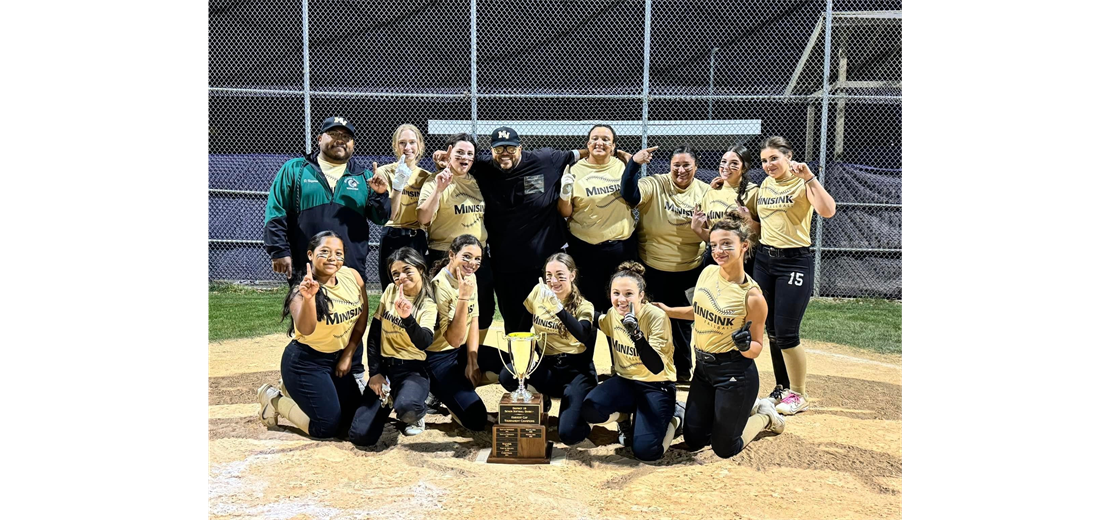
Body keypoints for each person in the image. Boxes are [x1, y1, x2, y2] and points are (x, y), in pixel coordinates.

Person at [434, 127, 605, 334]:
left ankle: (558, 362)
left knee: (556, 317)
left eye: (510, 148)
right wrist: (444, 160)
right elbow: (461, 164)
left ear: (520, 148)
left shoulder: (545, 159)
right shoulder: (484, 169)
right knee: (514, 323)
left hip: (545, 263)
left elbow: (580, 153)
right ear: (492, 150)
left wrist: (617, 154)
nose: (504, 153)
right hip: (507, 265)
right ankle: (519, 362)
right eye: (499, 149)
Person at [263, 116, 391, 389]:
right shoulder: (295, 170)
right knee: (311, 318)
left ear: (353, 144)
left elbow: (380, 218)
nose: (340, 140)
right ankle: (304, 373)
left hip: (350, 264)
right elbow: (276, 212)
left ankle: (353, 368)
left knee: (349, 313)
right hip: (305, 263)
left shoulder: (364, 175)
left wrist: (380, 195)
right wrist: (279, 251)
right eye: (333, 134)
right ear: (319, 139)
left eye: (346, 136)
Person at [654, 212, 785, 458]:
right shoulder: (708, 273)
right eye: (713, 245)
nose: (719, 250)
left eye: (727, 244)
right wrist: (669, 311)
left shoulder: (752, 296)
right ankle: (735, 411)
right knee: (694, 440)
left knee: (725, 448)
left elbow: (756, 346)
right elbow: (700, 312)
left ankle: (765, 414)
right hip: (703, 371)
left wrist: (745, 345)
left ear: (744, 246)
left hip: (733, 372)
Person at [751, 136, 837, 415]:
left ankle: (799, 393)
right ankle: (781, 387)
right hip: (765, 261)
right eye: (764, 160)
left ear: (789, 157)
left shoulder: (802, 181)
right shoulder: (765, 184)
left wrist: (810, 177)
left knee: (787, 332)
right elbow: (768, 222)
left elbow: (828, 210)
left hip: (794, 262)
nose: (768, 165)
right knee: (773, 331)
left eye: (774, 158)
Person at [256, 231, 369, 441]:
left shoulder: (352, 276)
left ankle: (296, 391)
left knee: (353, 418)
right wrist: (309, 298)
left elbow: (362, 319)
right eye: (324, 252)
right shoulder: (301, 292)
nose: (332, 258)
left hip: (336, 359)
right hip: (305, 363)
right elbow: (306, 329)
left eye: (338, 253)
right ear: (310, 254)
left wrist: (348, 355)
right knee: (326, 427)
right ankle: (274, 399)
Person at [620, 145, 710, 383]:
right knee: (651, 318)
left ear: (696, 167)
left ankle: (682, 371)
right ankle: (649, 367)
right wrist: (634, 165)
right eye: (676, 165)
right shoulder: (656, 183)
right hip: (653, 267)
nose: (681, 170)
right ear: (669, 166)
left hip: (689, 269)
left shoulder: (705, 192)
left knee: (682, 323)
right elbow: (630, 195)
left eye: (686, 165)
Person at [581, 261, 685, 462]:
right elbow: (595, 318)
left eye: (628, 294)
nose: (621, 299)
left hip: (656, 385)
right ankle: (624, 419)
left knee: (647, 452)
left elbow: (655, 367)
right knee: (590, 409)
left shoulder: (656, 317)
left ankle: (675, 418)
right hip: (626, 382)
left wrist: (636, 334)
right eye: (616, 293)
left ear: (641, 295)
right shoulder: (613, 314)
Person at [498, 253, 598, 446]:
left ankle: (587, 414)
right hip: (547, 368)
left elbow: (583, 334)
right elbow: (522, 328)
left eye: (560, 275)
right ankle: (542, 400)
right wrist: (523, 358)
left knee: (569, 434)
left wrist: (558, 309)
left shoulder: (585, 306)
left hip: (577, 373)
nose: (553, 281)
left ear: (572, 275)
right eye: (549, 275)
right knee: (507, 375)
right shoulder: (538, 292)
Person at [346, 247, 439, 445]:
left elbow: (424, 342)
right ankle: (392, 400)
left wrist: (407, 317)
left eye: (407, 270)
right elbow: (374, 335)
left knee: (407, 407)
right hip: (385, 370)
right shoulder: (390, 291)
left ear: (420, 269)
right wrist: (375, 373)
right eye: (395, 274)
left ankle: (415, 409)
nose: (401, 277)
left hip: (412, 370)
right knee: (360, 436)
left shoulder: (427, 304)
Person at [423, 235, 506, 431]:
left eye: (478, 259)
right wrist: (463, 297)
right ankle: (446, 394)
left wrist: (473, 360)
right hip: (437, 359)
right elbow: (454, 339)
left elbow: (474, 320)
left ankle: (463, 385)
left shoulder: (470, 277)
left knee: (512, 366)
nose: (473, 263)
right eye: (467, 257)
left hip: (458, 352)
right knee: (476, 420)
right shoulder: (439, 286)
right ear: (452, 255)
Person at [417, 132, 495, 337]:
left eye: (470, 153)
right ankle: (444, 358)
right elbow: (423, 218)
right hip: (445, 255)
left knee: (483, 309)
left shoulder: (476, 181)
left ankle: (474, 357)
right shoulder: (435, 180)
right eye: (460, 152)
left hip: (478, 257)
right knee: (444, 310)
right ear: (449, 153)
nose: (465, 157)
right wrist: (439, 189)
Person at [558, 124, 638, 315]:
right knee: (587, 308)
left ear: (613, 146)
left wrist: (631, 164)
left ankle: (620, 345)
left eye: (605, 139)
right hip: (586, 250)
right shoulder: (575, 169)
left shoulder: (622, 166)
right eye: (594, 139)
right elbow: (565, 212)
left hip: (621, 248)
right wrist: (564, 193)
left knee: (622, 308)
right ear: (588, 143)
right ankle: (588, 344)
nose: (599, 143)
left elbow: (634, 201)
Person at [374, 124, 434, 291]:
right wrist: (398, 183)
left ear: (420, 145)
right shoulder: (384, 172)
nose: (408, 147)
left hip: (416, 237)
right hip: (392, 235)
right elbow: (392, 214)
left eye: (412, 142)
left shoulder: (426, 177)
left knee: (418, 291)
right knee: (391, 290)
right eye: (402, 143)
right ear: (395, 146)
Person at [691, 144, 760, 276]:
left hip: (744, 259)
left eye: (734, 163)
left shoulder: (753, 192)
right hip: (716, 256)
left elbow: (763, 231)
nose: (726, 167)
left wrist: (748, 220)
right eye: (724, 162)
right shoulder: (711, 192)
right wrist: (697, 229)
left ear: (744, 167)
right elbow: (710, 236)